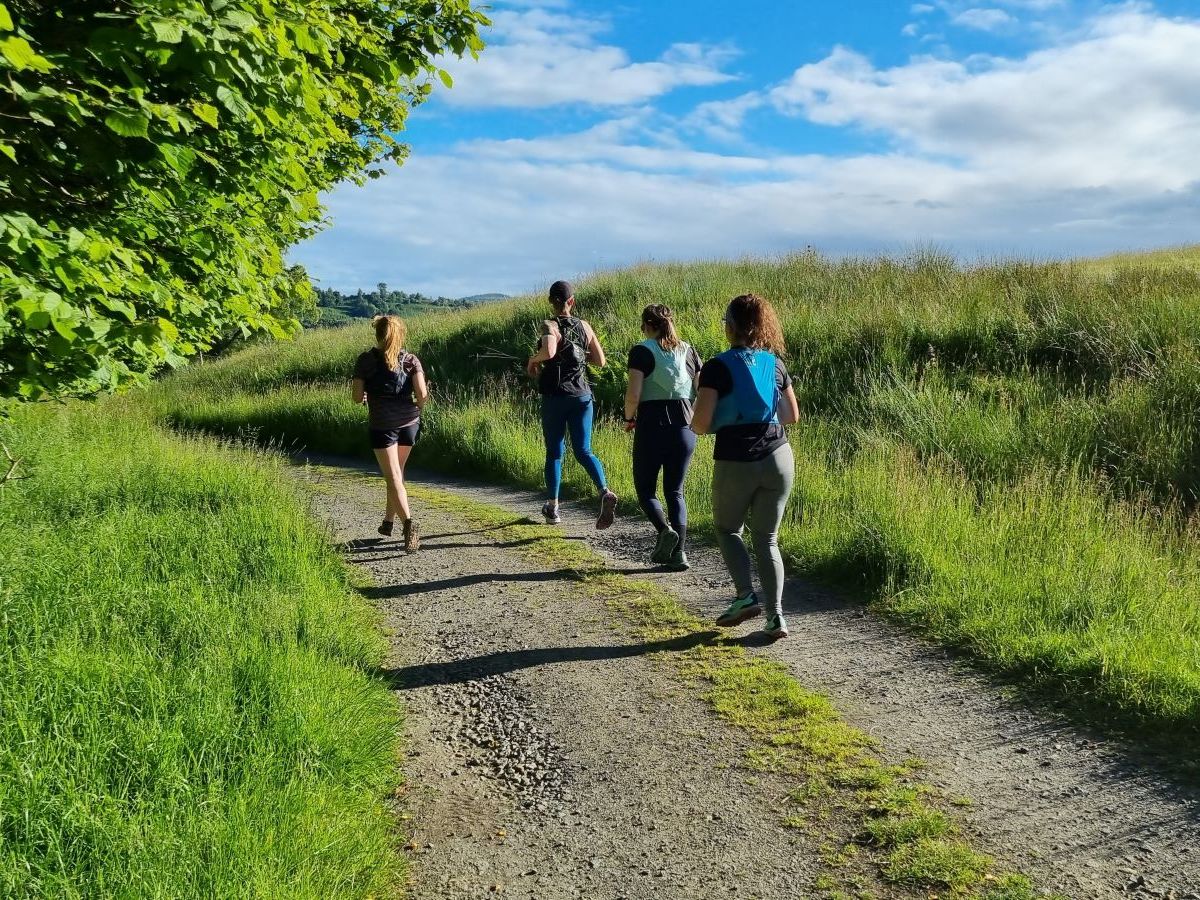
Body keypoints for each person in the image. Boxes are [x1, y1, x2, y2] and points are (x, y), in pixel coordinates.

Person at [691, 294, 800, 639]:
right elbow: (791, 416)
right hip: (779, 456)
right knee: (767, 537)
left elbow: (701, 424)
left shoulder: (717, 366)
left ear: (732, 326)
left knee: (728, 530)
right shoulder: (776, 364)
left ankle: (744, 597)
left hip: (737, 459)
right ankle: (776, 617)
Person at [526, 280, 618, 528]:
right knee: (583, 450)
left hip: (556, 397)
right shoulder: (584, 326)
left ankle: (553, 508)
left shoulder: (550, 324)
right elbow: (600, 361)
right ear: (572, 301)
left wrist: (533, 360)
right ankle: (604, 491)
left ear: (550, 301)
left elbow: (549, 351)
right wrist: (578, 352)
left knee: (555, 452)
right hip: (582, 396)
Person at [623, 304, 701, 570]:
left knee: (645, 490)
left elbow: (634, 394)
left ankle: (664, 530)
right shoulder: (689, 350)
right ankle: (680, 554)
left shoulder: (642, 351)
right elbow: (701, 390)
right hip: (685, 426)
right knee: (675, 491)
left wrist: (629, 417)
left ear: (647, 324)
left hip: (652, 425)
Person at [352, 315, 429, 552]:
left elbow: (356, 397)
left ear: (378, 334)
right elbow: (422, 395)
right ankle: (388, 521)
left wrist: (366, 395)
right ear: (400, 334)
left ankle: (408, 523)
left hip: (382, 426)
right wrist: (416, 407)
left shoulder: (365, 361)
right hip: (409, 424)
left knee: (393, 476)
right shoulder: (410, 360)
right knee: (397, 475)